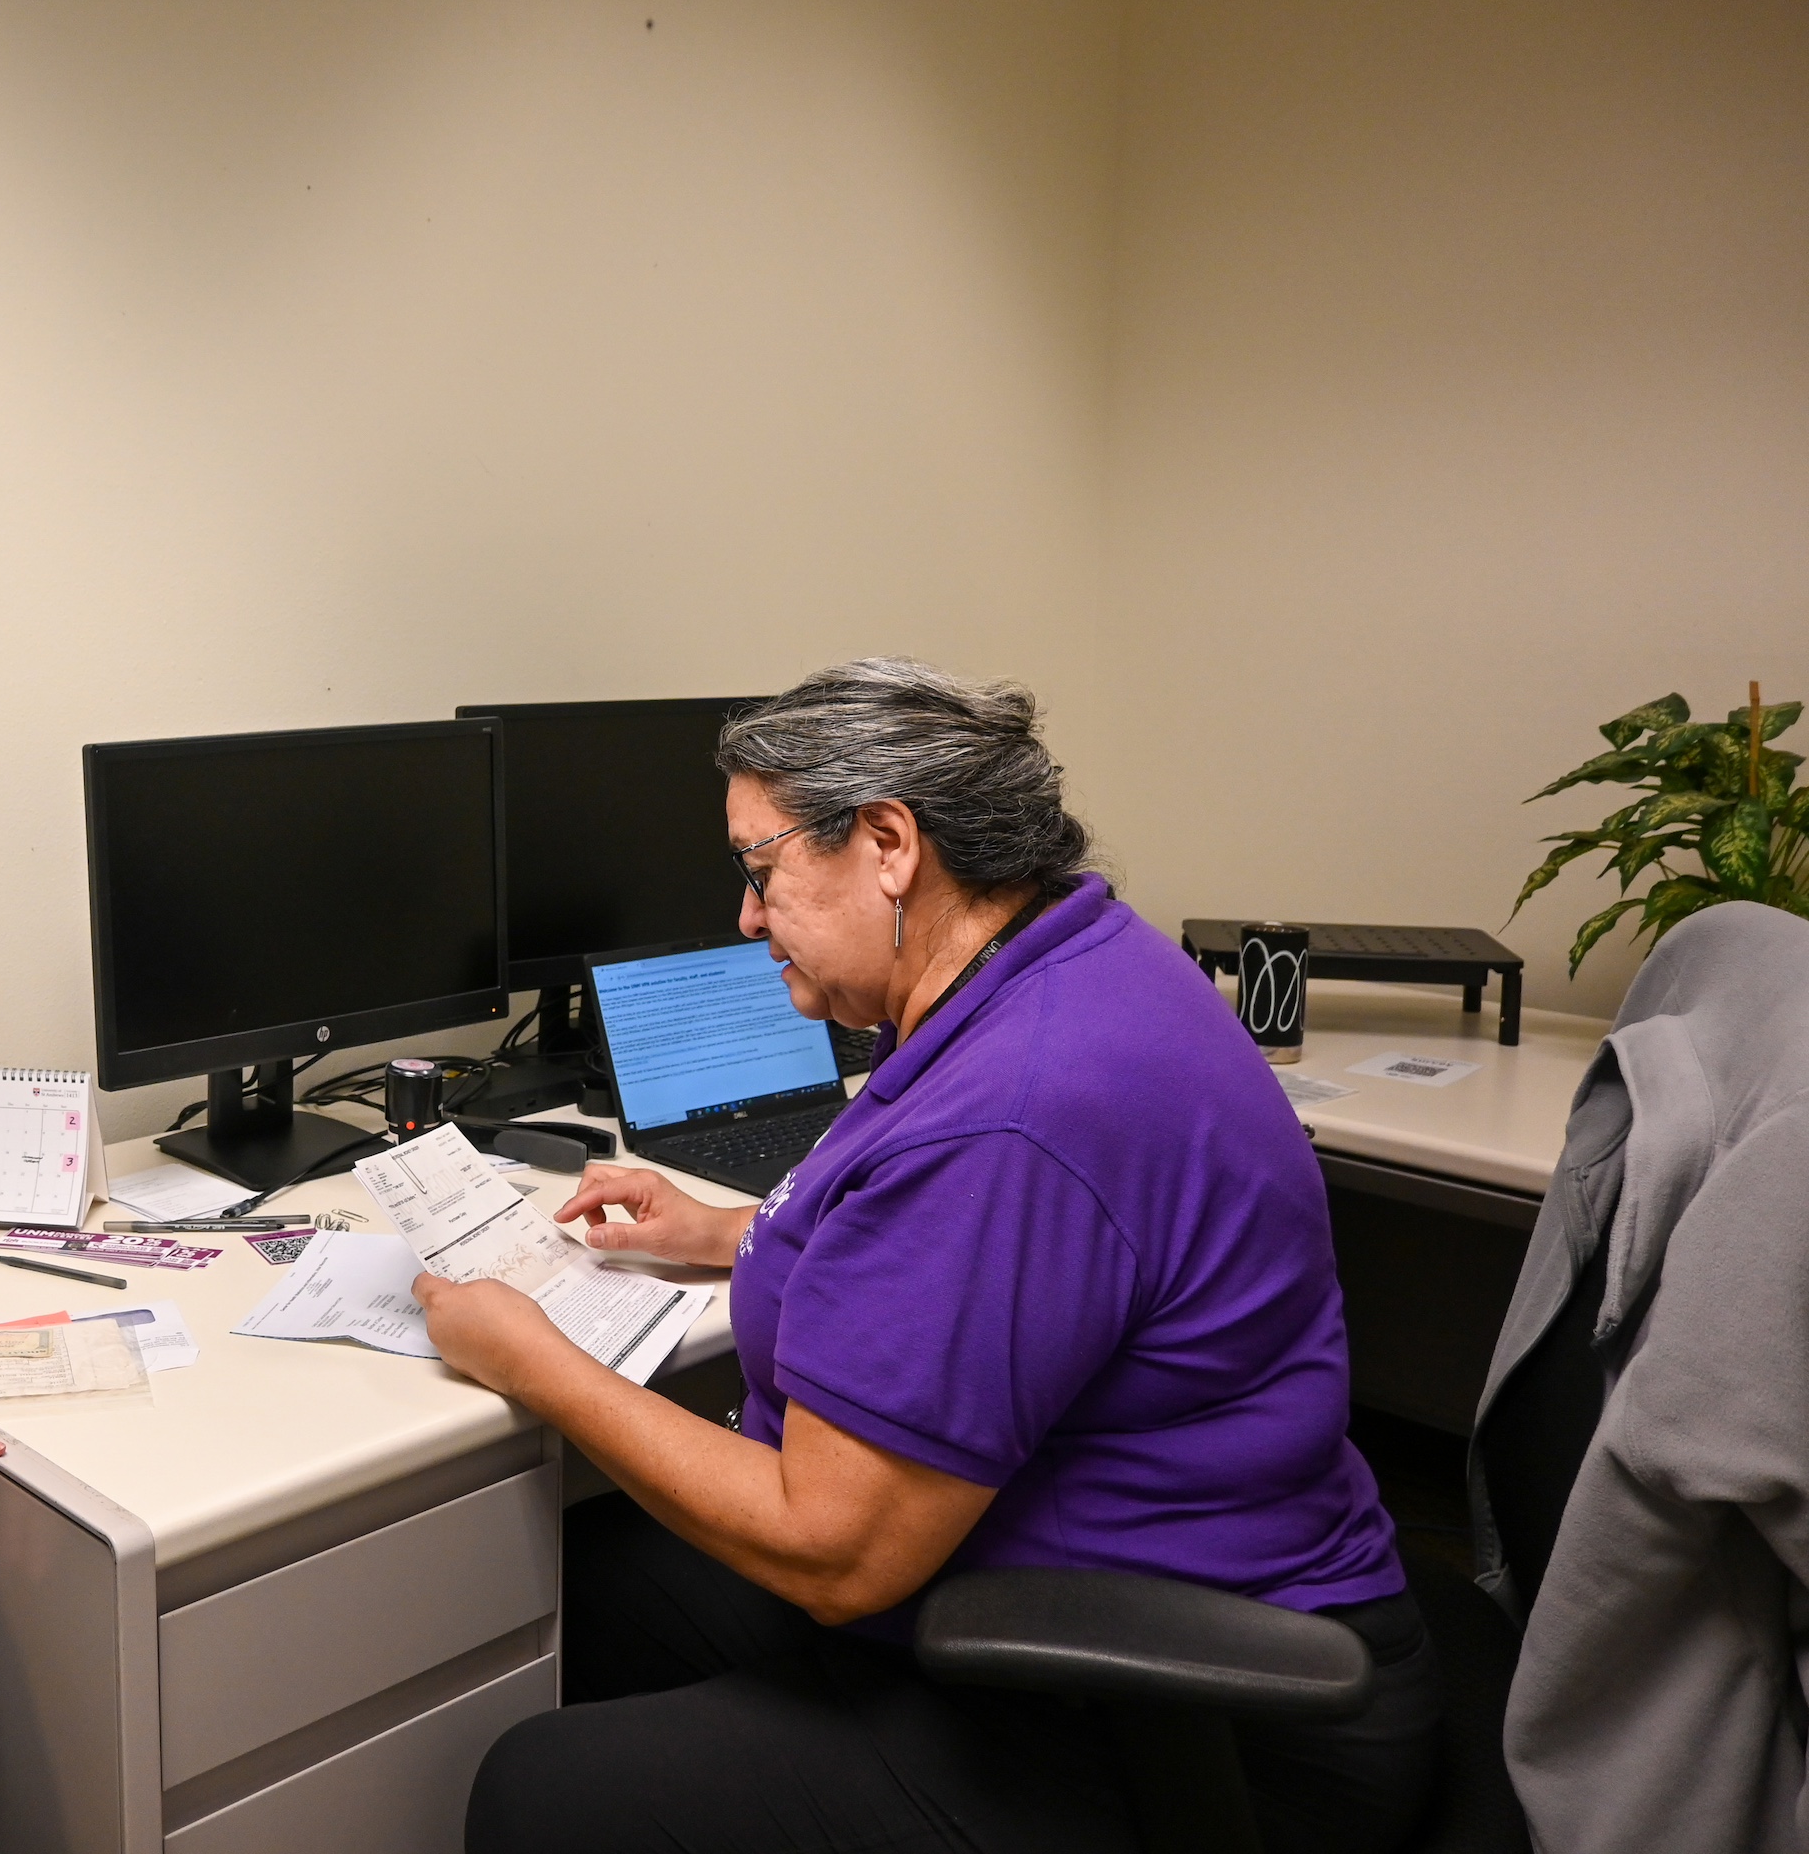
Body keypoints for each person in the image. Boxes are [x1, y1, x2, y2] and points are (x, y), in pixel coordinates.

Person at [424, 658, 1437, 1854]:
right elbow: (1001, 1262)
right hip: (1087, 1588)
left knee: (541, 1787)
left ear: (890, 842)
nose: (746, 917)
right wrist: (731, 1233)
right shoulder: (1064, 959)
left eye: (762, 870)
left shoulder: (1017, 1106)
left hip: (1192, 1711)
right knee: (575, 1589)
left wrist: (531, 1358)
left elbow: (833, 1549)